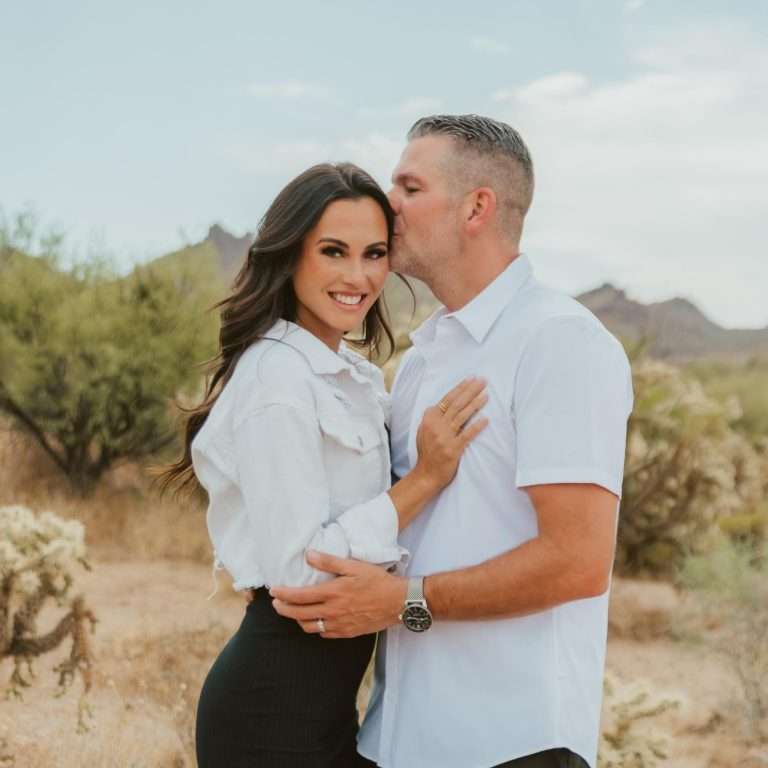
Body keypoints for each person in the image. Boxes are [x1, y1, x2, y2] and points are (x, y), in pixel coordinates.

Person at [269, 115, 634, 768]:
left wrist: (403, 602)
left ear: (476, 208)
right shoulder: (421, 360)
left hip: (511, 744)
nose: (388, 205)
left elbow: (578, 561)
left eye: (410, 188)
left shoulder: (558, 341)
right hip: (397, 740)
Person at [159, 162, 488, 767]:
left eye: (374, 254)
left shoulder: (352, 377)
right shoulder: (277, 378)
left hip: (326, 709)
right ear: (290, 255)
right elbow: (298, 574)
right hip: (271, 716)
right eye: (333, 251)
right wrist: (423, 480)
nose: (357, 277)